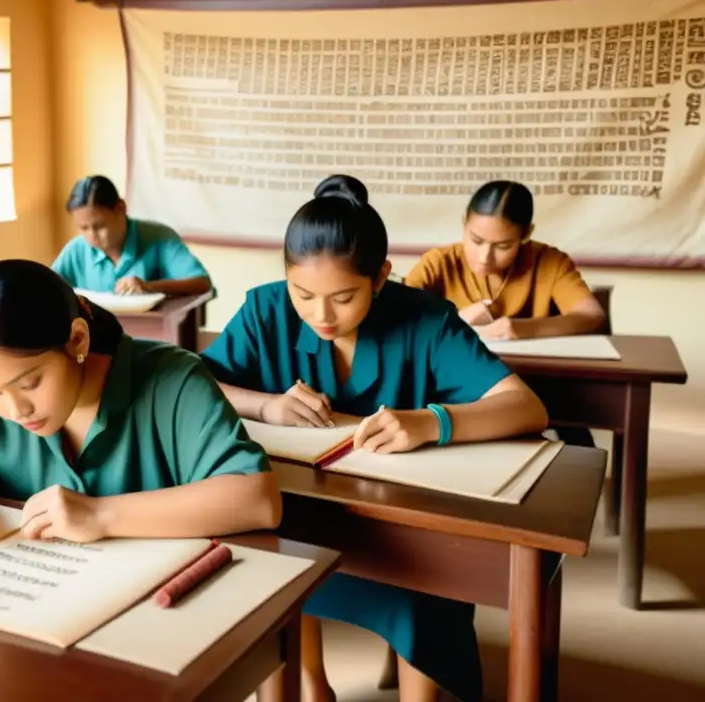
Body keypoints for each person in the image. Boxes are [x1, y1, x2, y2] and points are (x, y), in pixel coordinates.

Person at [200, 175, 548, 702]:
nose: (322, 315)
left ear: (381, 277)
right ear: (285, 278)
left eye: (344, 296)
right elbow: (196, 386)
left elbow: (525, 406)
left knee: (426, 595)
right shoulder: (265, 309)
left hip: (406, 527)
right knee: (264, 559)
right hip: (297, 513)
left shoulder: (424, 319)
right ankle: (310, 684)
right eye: (303, 294)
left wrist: (432, 421)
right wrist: (265, 404)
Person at [0, 259, 280, 549]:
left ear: (78, 341)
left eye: (31, 382)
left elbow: (257, 500)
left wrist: (99, 515)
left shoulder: (172, 380)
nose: (16, 410)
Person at [404, 180, 605, 340]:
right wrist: (458, 320)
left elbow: (591, 315)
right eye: (476, 240)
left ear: (526, 234)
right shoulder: (440, 262)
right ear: (464, 222)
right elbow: (394, 315)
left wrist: (525, 329)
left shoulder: (550, 262)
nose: (484, 257)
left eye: (503, 246)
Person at [51, 175, 212, 296]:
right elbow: (47, 289)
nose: (92, 235)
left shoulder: (160, 237)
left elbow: (202, 283)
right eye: (83, 228)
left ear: (120, 208)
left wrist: (149, 287)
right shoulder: (76, 249)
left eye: (99, 226)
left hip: (154, 335)